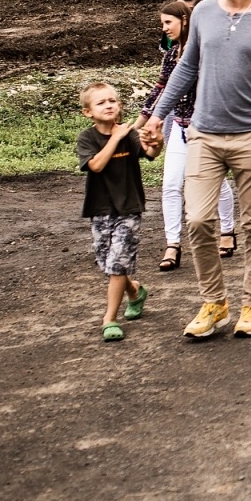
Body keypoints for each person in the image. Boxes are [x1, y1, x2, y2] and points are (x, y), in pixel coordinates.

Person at [145, 0, 251, 341]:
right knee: (197, 219)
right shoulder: (204, 12)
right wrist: (158, 116)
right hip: (203, 135)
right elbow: (185, 68)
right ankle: (214, 302)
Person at [143, 0, 236, 270]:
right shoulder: (170, 56)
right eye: (162, 24)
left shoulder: (206, 51)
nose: (164, 29)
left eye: (168, 23)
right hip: (179, 128)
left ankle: (228, 231)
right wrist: (143, 120)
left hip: (206, 129)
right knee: (171, 185)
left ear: (185, 20)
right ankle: (173, 244)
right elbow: (161, 88)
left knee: (216, 185)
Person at [79, 82, 159, 342]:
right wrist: (115, 138)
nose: (109, 105)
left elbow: (150, 153)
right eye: (101, 102)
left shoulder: (130, 133)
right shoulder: (87, 138)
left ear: (119, 105)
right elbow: (96, 165)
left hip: (129, 208)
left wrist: (155, 141)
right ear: (87, 112)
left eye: (113, 100)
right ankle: (134, 291)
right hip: (100, 209)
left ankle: (109, 319)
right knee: (109, 264)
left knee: (116, 265)